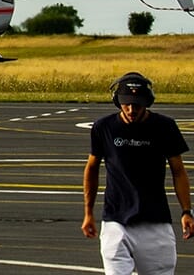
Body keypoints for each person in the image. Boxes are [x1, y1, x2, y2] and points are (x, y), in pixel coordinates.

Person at [82, 72, 193, 274]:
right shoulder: (103, 128)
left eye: (138, 104)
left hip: (156, 224)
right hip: (116, 222)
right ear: (117, 101)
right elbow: (92, 167)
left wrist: (186, 211)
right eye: (126, 104)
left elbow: (178, 171)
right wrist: (88, 213)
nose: (131, 109)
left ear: (148, 101)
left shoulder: (164, 127)